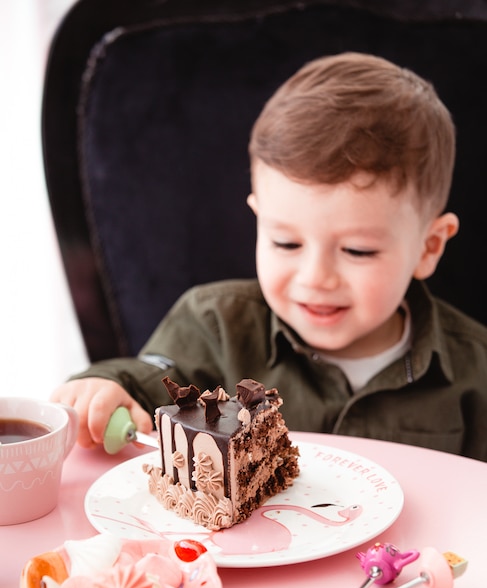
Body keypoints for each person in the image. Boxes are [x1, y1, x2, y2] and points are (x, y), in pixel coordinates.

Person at [51, 52, 487, 461]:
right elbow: (143, 383)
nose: (315, 278)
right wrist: (104, 388)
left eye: (357, 250)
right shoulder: (215, 325)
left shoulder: (477, 369)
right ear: (259, 220)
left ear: (429, 247)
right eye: (286, 244)